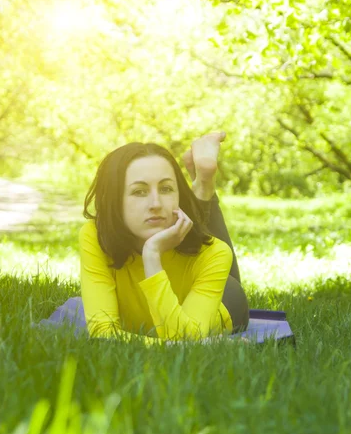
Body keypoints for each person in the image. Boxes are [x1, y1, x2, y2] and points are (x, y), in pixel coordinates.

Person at [79, 131, 249, 346]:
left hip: (226, 301)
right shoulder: (95, 235)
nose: (155, 203)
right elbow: (102, 333)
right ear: (114, 199)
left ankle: (205, 188)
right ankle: (203, 188)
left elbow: (183, 339)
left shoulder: (215, 253)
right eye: (139, 191)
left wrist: (152, 255)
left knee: (213, 252)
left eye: (166, 188)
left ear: (179, 196)